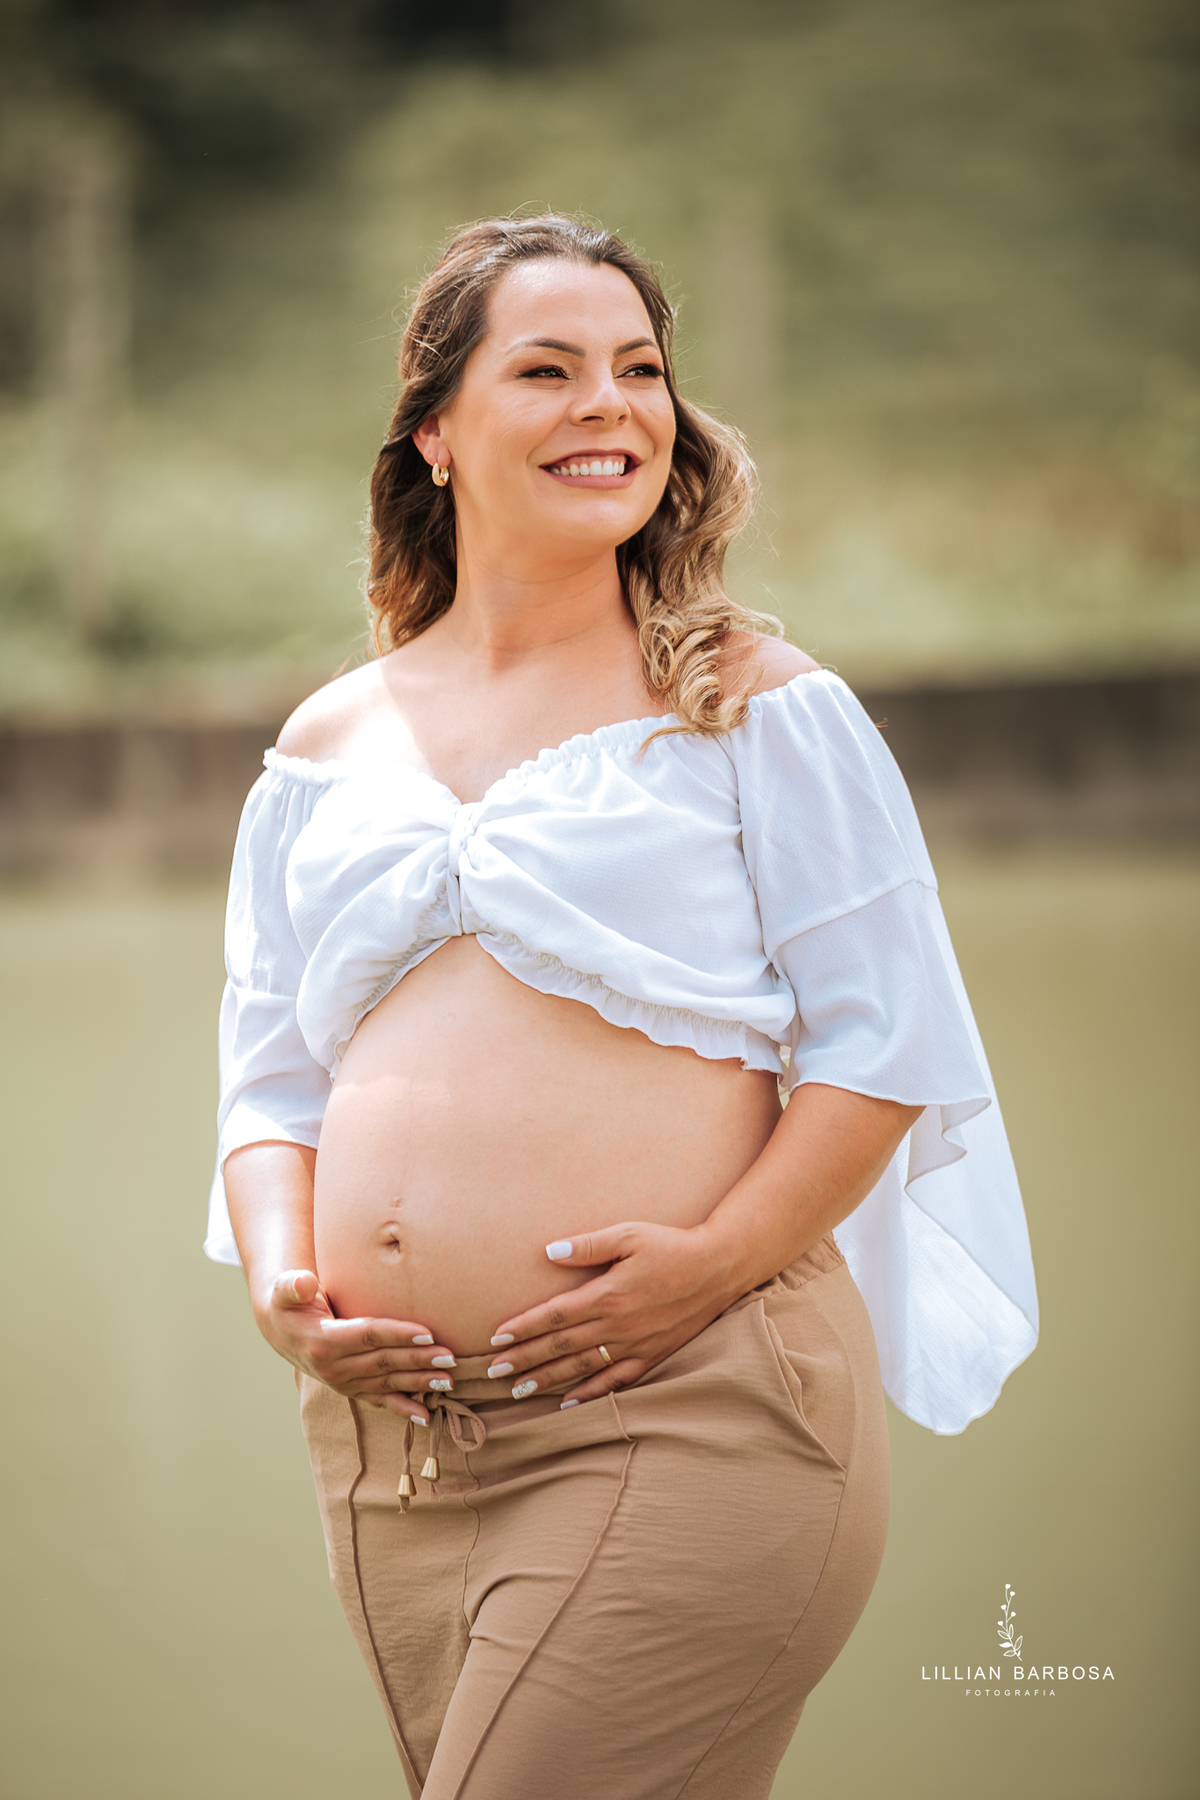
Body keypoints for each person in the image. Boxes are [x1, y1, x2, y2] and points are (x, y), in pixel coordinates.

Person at [207, 214, 1037, 1800]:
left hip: (693, 1403)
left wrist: (711, 1265)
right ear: (435, 434)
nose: (613, 404)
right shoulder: (327, 741)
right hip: (402, 1458)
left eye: (641, 369)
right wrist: (279, 1276)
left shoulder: (754, 704)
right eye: (550, 368)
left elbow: (890, 1049)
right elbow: (267, 1081)